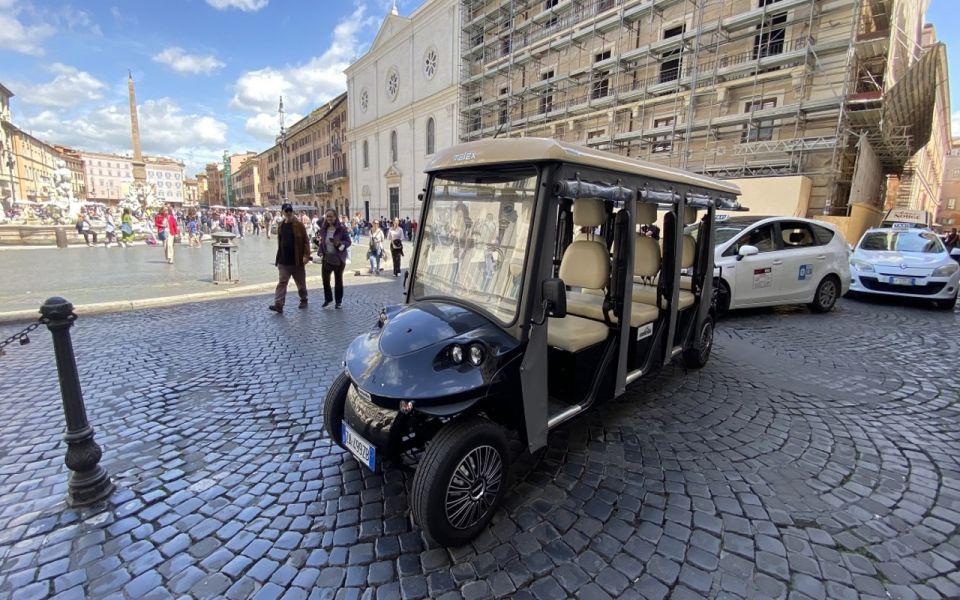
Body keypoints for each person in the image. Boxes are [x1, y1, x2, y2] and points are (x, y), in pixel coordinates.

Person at [269, 203, 311, 314]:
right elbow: (280, 242)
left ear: (292, 211)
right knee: (282, 282)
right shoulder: (281, 225)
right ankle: (279, 304)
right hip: (284, 261)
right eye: (286, 211)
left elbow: (306, 241)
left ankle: (304, 299)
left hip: (297, 260)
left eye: (290, 211)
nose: (288, 213)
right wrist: (278, 259)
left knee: (301, 283)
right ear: (282, 212)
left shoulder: (299, 225)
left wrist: (306, 256)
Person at [318, 208, 352, 308]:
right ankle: (328, 299)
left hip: (338, 258)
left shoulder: (341, 228)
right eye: (327, 216)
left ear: (335, 217)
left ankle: (338, 301)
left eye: (331, 216)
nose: (329, 218)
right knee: (325, 280)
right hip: (327, 258)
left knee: (338, 280)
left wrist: (341, 245)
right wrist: (320, 251)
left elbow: (348, 241)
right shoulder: (324, 229)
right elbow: (322, 242)